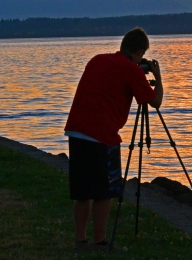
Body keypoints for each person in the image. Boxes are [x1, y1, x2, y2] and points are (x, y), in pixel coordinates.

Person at [63, 27, 163, 249]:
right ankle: (100, 242)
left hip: (77, 131)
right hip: (102, 136)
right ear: (138, 53)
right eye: (142, 55)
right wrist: (157, 76)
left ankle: (80, 240)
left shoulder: (97, 60)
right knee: (104, 192)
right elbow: (155, 101)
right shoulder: (131, 70)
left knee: (82, 193)